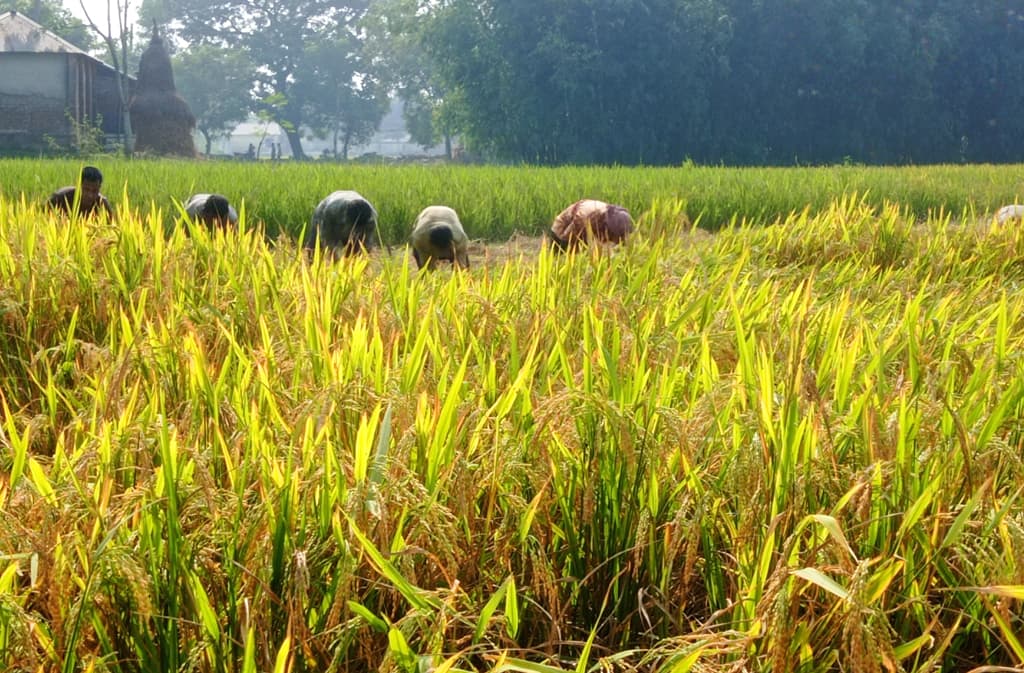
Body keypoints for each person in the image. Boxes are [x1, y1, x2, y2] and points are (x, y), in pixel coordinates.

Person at [549, 199, 634, 251]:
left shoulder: (613, 217)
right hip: (562, 230)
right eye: (618, 237)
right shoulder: (584, 218)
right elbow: (567, 240)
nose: (618, 241)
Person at [410, 205, 470, 269]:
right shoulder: (421, 239)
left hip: (449, 214)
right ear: (431, 245)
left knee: (461, 265)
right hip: (427, 213)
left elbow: (461, 266)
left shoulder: (460, 239)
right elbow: (426, 266)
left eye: (444, 250)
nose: (442, 253)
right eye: (439, 250)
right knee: (421, 261)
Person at [47, 166, 114, 219]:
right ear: (78, 185)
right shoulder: (60, 198)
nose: (90, 195)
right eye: (86, 190)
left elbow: (112, 227)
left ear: (99, 188)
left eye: (95, 191)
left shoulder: (102, 204)